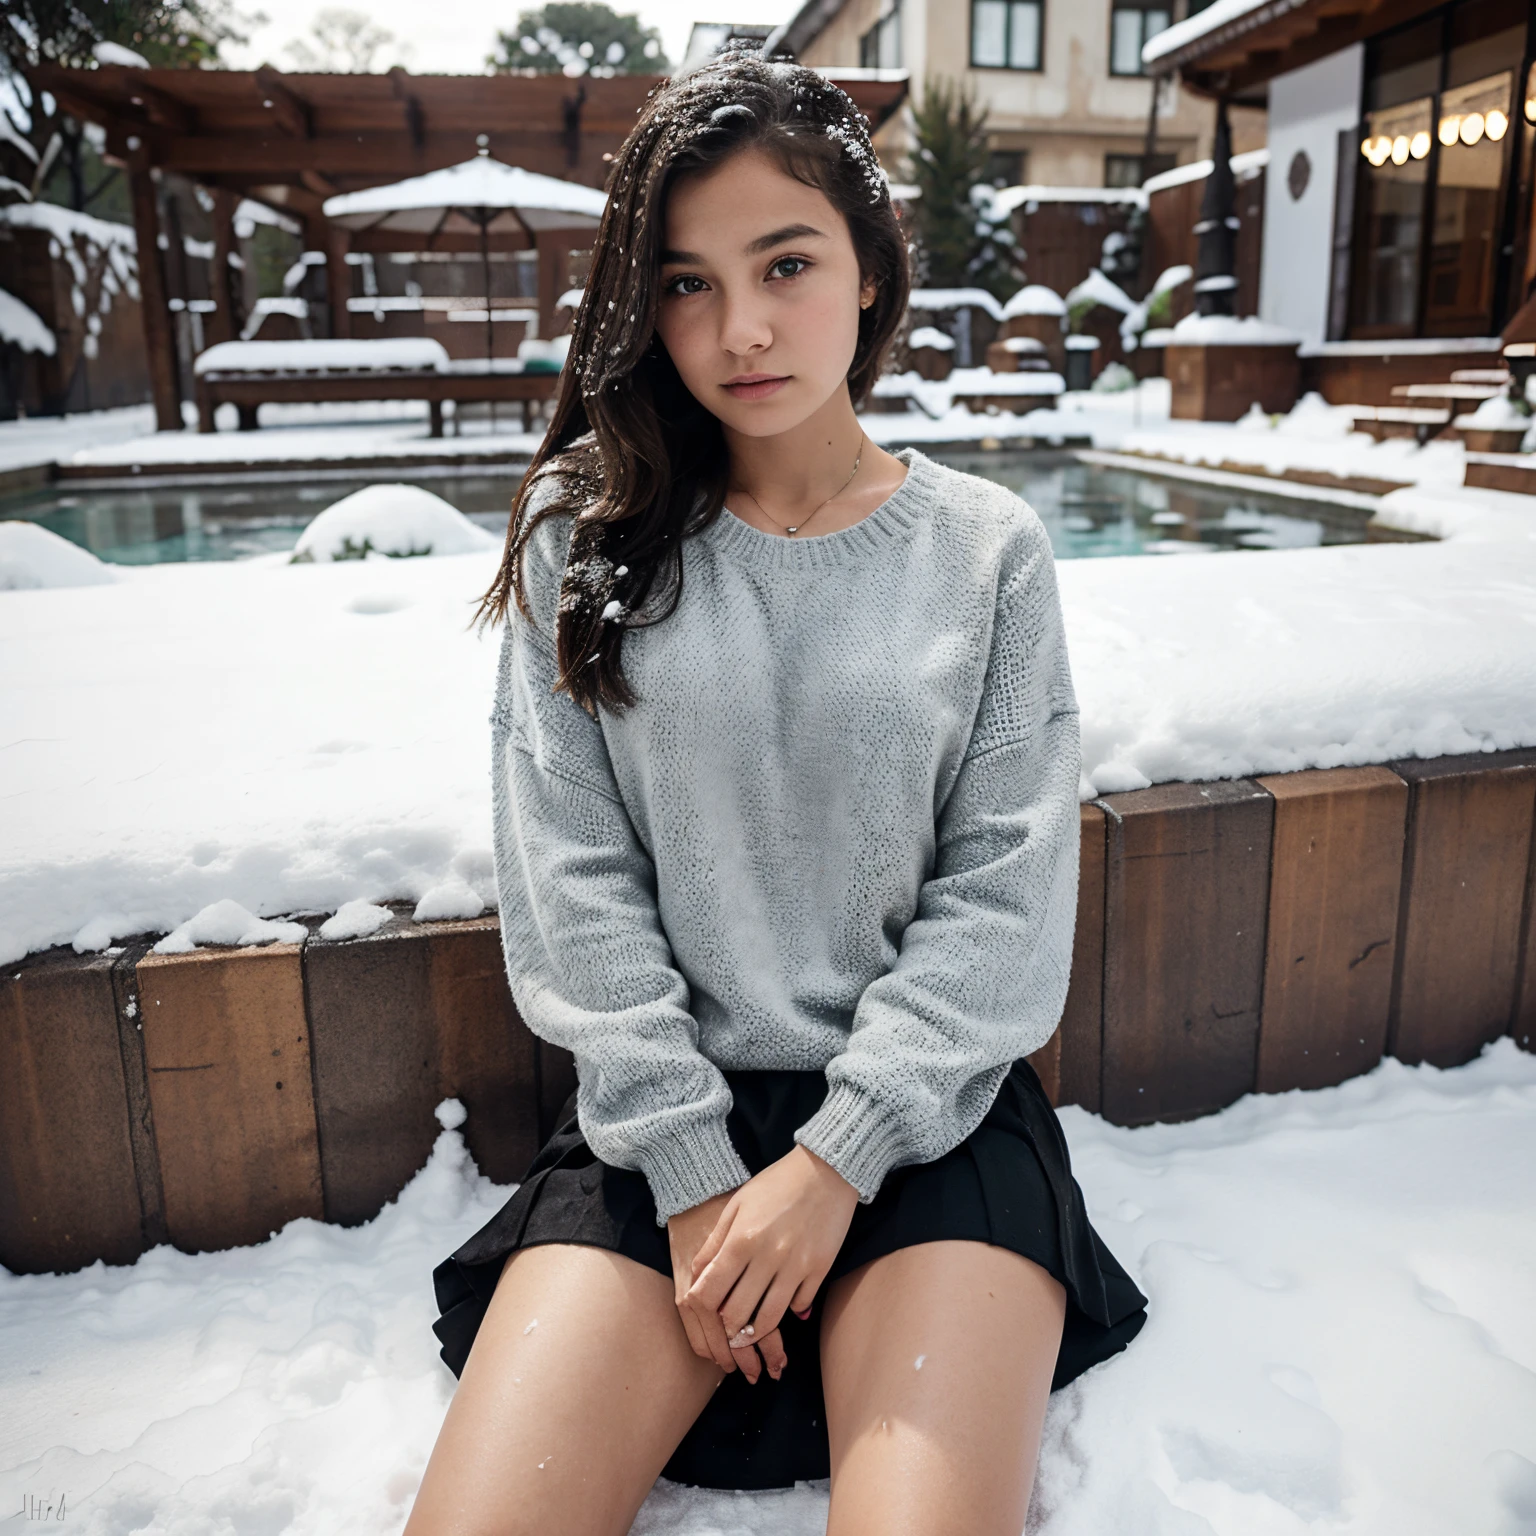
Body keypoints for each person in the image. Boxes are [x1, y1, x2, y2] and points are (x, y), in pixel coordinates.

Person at [409, 47, 1146, 1536]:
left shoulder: (984, 553)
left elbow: (1003, 906)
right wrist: (688, 1163)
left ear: (870, 270)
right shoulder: (591, 536)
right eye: (684, 283)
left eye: (786, 262)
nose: (739, 327)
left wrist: (835, 1162)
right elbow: (571, 880)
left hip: (927, 1126)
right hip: (651, 1125)